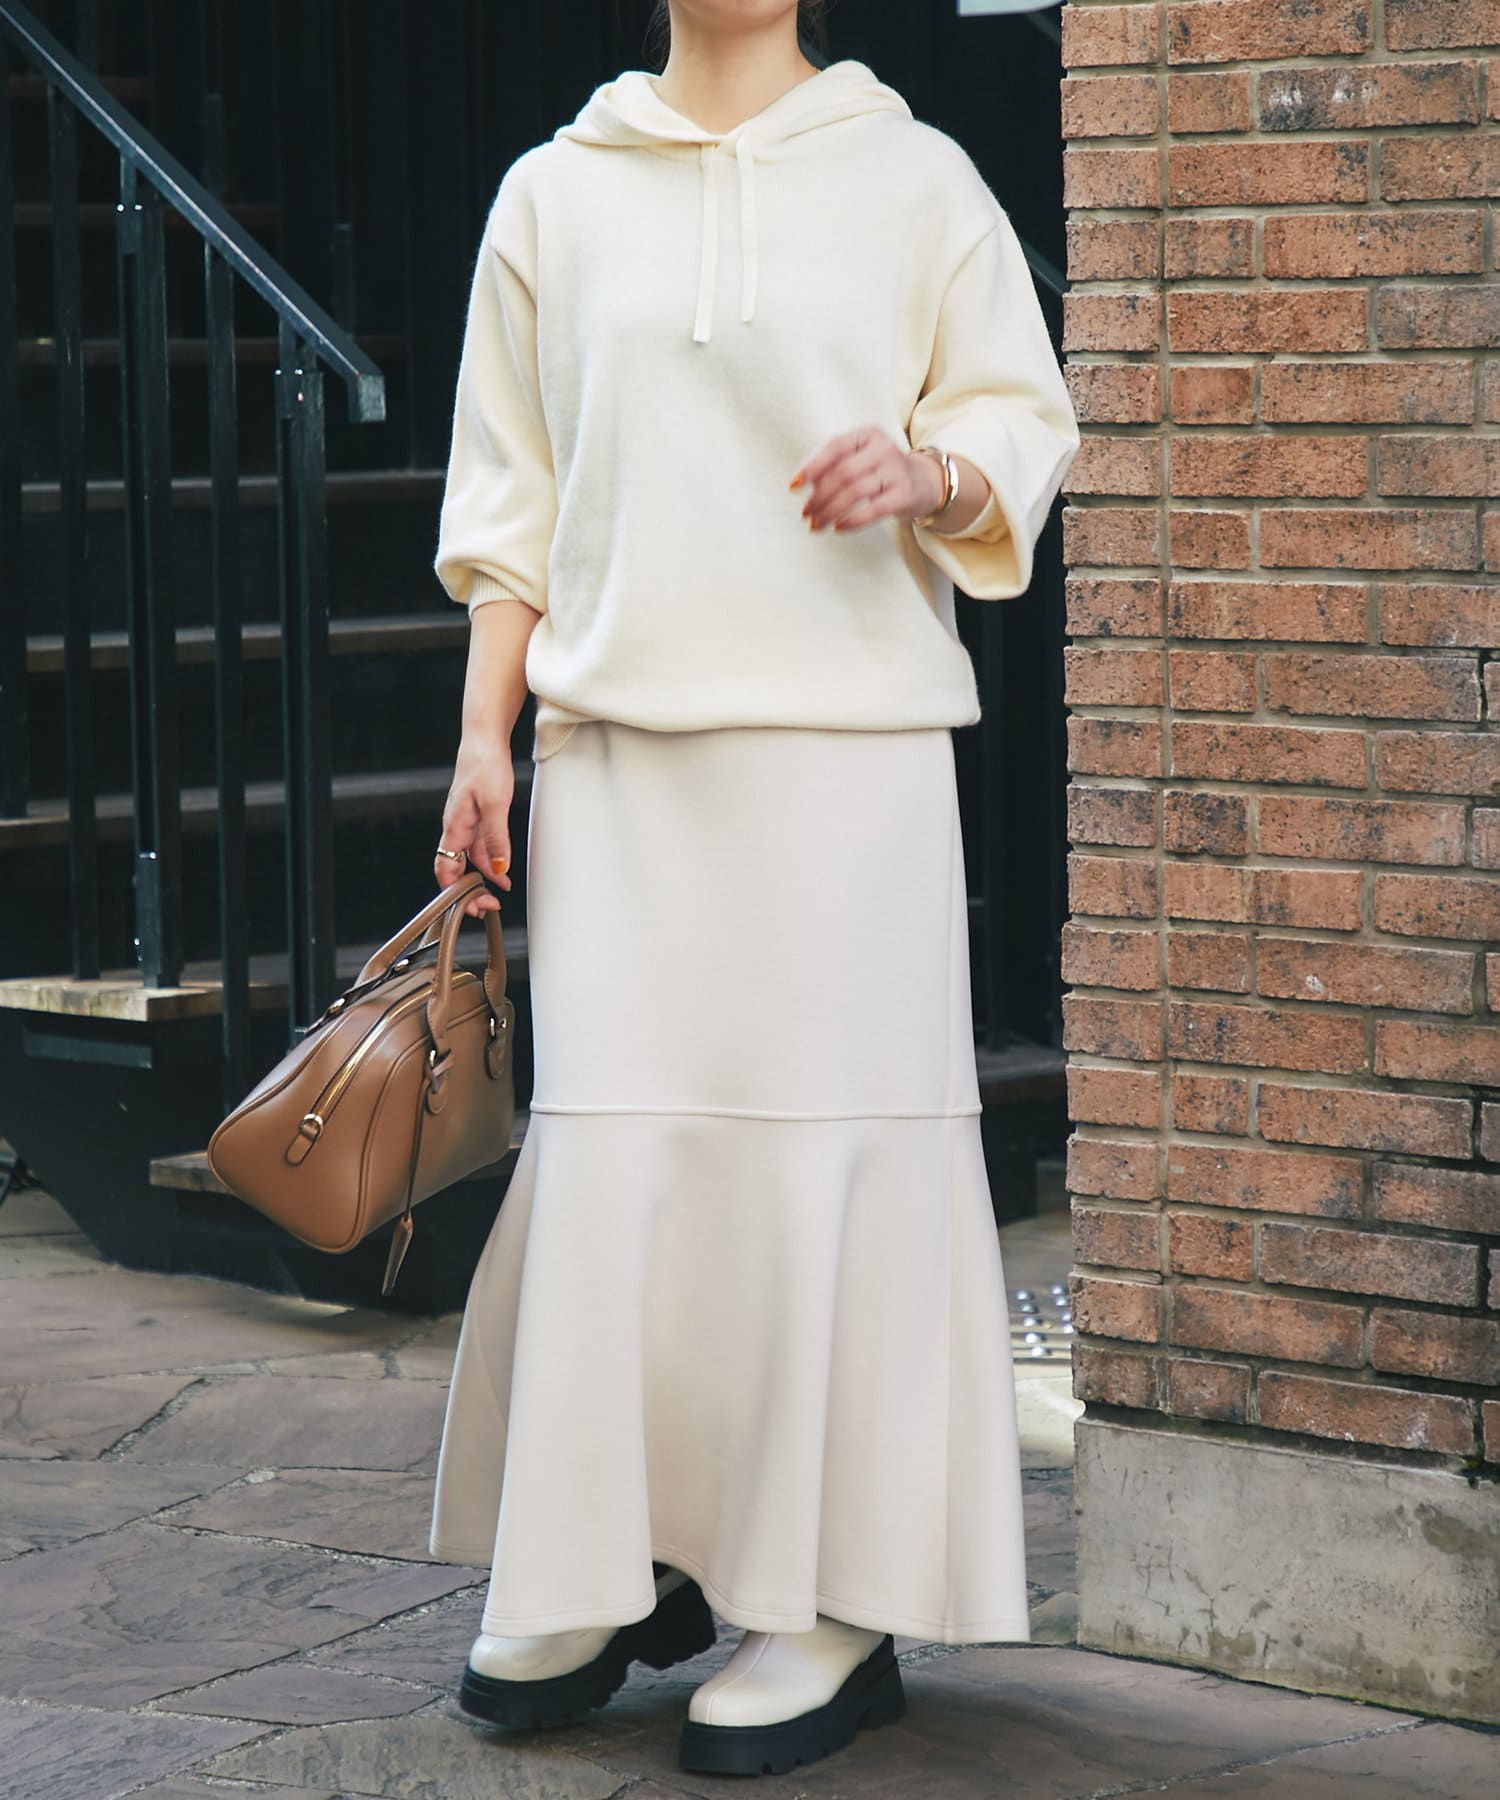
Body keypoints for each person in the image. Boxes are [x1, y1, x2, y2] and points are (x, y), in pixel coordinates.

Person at [425, 0, 1080, 1778]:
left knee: (828, 1169)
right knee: (624, 1157)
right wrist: (485, 739)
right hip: (620, 764)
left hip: (847, 771)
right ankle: (612, 1554)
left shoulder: (917, 178)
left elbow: (1021, 422)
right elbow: (511, 506)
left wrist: (932, 473)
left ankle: (836, 1604)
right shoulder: (552, 194)